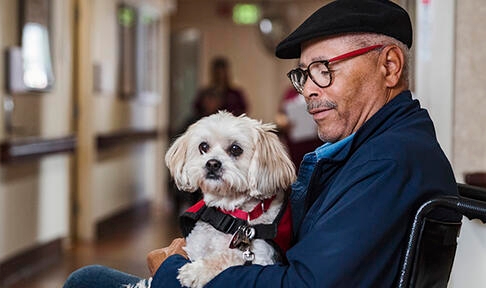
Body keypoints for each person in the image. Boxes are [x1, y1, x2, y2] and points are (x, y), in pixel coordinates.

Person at [64, 0, 459, 287]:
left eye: (324, 70)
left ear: (389, 66)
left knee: (88, 281)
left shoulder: (388, 161)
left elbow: (303, 285)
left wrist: (171, 271)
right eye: (303, 75)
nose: (308, 92)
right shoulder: (377, 147)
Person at [275, 86, 324, 171]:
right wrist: (283, 122)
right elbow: (280, 114)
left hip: (315, 142)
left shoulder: (319, 90)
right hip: (295, 144)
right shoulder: (290, 91)